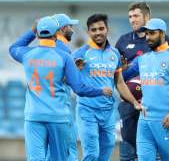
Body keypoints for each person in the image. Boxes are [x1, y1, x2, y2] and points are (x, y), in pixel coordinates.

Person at [9, 16, 112, 161]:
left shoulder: (27, 54)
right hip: (58, 117)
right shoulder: (64, 57)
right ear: (57, 32)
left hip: (33, 117)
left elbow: (13, 48)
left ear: (38, 34)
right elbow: (79, 88)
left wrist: (32, 31)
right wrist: (100, 91)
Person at [72, 13, 142, 161]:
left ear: (107, 29)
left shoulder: (115, 54)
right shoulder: (81, 53)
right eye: (93, 30)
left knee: (106, 152)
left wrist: (134, 101)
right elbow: (69, 80)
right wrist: (75, 69)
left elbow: (120, 83)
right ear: (88, 32)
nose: (98, 32)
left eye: (101, 28)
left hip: (108, 112)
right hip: (87, 110)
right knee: (92, 153)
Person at [123, 18, 169, 161]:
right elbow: (121, 76)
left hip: (167, 121)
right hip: (145, 120)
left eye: (152, 33)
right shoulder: (142, 59)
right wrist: (116, 65)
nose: (148, 38)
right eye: (146, 34)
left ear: (162, 34)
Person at [115, 1, 169, 160]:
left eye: (136, 16)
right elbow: (116, 74)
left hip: (154, 106)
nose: (132, 20)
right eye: (130, 16)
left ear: (147, 17)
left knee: (154, 151)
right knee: (128, 149)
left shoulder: (164, 41)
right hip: (129, 103)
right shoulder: (122, 41)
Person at [43, 13, 79, 161]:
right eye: (70, 26)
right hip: (60, 106)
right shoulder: (63, 49)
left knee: (51, 150)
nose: (73, 29)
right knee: (68, 148)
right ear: (62, 29)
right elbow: (69, 80)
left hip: (45, 105)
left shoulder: (45, 48)